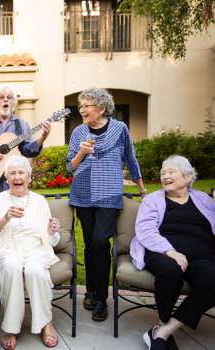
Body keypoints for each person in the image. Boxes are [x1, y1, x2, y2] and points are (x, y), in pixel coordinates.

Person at [66, 87, 146, 322]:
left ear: (101, 108)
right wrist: (81, 153)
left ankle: (102, 298)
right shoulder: (79, 132)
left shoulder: (120, 129)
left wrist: (141, 189)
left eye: (86, 106)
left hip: (109, 194)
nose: (81, 110)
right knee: (90, 244)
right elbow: (71, 166)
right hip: (82, 193)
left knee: (101, 242)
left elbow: (130, 158)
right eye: (80, 107)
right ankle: (90, 291)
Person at [130, 155, 215, 350]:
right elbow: (145, 230)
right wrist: (171, 251)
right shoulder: (153, 200)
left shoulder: (203, 200)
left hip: (201, 256)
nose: (165, 176)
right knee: (171, 270)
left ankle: (164, 331)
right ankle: (162, 321)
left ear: (188, 177)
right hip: (161, 251)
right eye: (163, 173)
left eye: (171, 172)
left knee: (213, 279)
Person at [0, 155, 61, 349]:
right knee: (10, 267)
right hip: (7, 248)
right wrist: (4, 219)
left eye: (21, 173)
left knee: (35, 270)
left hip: (35, 248)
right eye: (12, 173)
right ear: (7, 179)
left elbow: (53, 241)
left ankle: (46, 322)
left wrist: (52, 231)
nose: (17, 177)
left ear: (29, 177)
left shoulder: (40, 201)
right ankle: (10, 327)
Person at [0, 85, 52, 234]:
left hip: (11, 184)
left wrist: (43, 136)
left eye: (9, 97)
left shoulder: (22, 125)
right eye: (2, 97)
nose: (5, 100)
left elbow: (27, 150)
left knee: (12, 223)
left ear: (14, 103)